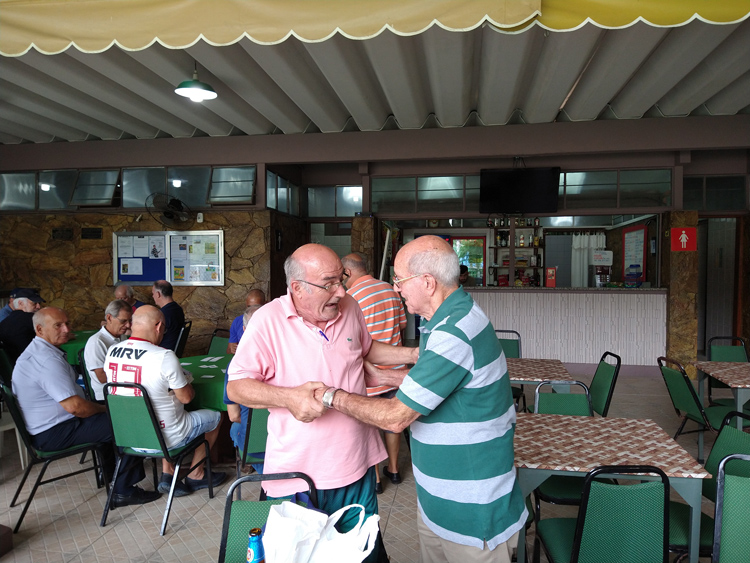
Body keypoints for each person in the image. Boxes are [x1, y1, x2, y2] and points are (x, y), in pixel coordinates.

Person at [316, 236, 527, 562]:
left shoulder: (453, 332)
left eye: (399, 279)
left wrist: (331, 395)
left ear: (427, 282)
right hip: (441, 504)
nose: (396, 288)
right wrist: (385, 376)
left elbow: (395, 417)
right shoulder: (445, 317)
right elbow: (446, 386)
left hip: (473, 513)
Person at [227, 243, 418, 563]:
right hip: (297, 476)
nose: (341, 291)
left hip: (356, 467)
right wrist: (288, 397)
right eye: (329, 283)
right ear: (297, 288)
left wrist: (414, 355)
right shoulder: (267, 321)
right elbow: (237, 387)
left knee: (362, 555)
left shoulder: (350, 307)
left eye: (341, 279)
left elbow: (366, 350)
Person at [12, 307, 159, 507]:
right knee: (129, 422)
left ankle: (109, 474)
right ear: (39, 329)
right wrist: (105, 410)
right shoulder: (45, 360)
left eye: (67, 323)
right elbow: (76, 408)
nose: (66, 329)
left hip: (52, 424)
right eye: (58, 325)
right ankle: (123, 490)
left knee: (117, 412)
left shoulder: (41, 351)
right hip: (53, 432)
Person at [104, 305, 226, 496]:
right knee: (216, 417)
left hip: (129, 438)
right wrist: (187, 383)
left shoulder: (112, 351)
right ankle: (196, 472)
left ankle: (168, 475)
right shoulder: (163, 356)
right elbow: (186, 398)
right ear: (159, 326)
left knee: (164, 411)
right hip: (168, 439)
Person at [341, 252, 407, 494]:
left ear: (347, 272)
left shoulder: (350, 298)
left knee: (369, 425)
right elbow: (402, 325)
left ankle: (377, 478)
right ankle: (394, 469)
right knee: (393, 422)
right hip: (396, 371)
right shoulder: (390, 289)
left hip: (368, 374)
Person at [224, 304, 265, 473]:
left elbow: (234, 416)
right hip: (291, 441)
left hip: (256, 443)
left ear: (243, 328)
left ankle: (256, 469)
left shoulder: (235, 366)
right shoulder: (292, 359)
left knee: (235, 427)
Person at [83, 299, 132, 401]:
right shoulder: (96, 342)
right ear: (109, 318)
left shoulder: (121, 336)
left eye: (130, 321)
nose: (128, 325)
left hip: (123, 390)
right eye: (123, 321)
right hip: (106, 397)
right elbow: (102, 378)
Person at [0, 289, 45, 363]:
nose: (38, 306)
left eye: (39, 303)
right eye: (34, 303)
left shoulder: (4, 322)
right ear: (20, 303)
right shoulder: (32, 319)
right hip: (34, 365)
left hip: (14, 368)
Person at [227, 289, 266, 354]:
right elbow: (229, 351)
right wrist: (232, 349)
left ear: (265, 304)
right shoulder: (237, 321)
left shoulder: (270, 322)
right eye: (249, 307)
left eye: (256, 307)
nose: (252, 310)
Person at [151, 280, 184, 352]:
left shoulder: (162, 314)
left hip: (162, 352)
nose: (152, 296)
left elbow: (152, 338)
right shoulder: (178, 309)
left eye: (153, 294)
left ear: (158, 294)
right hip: (172, 350)